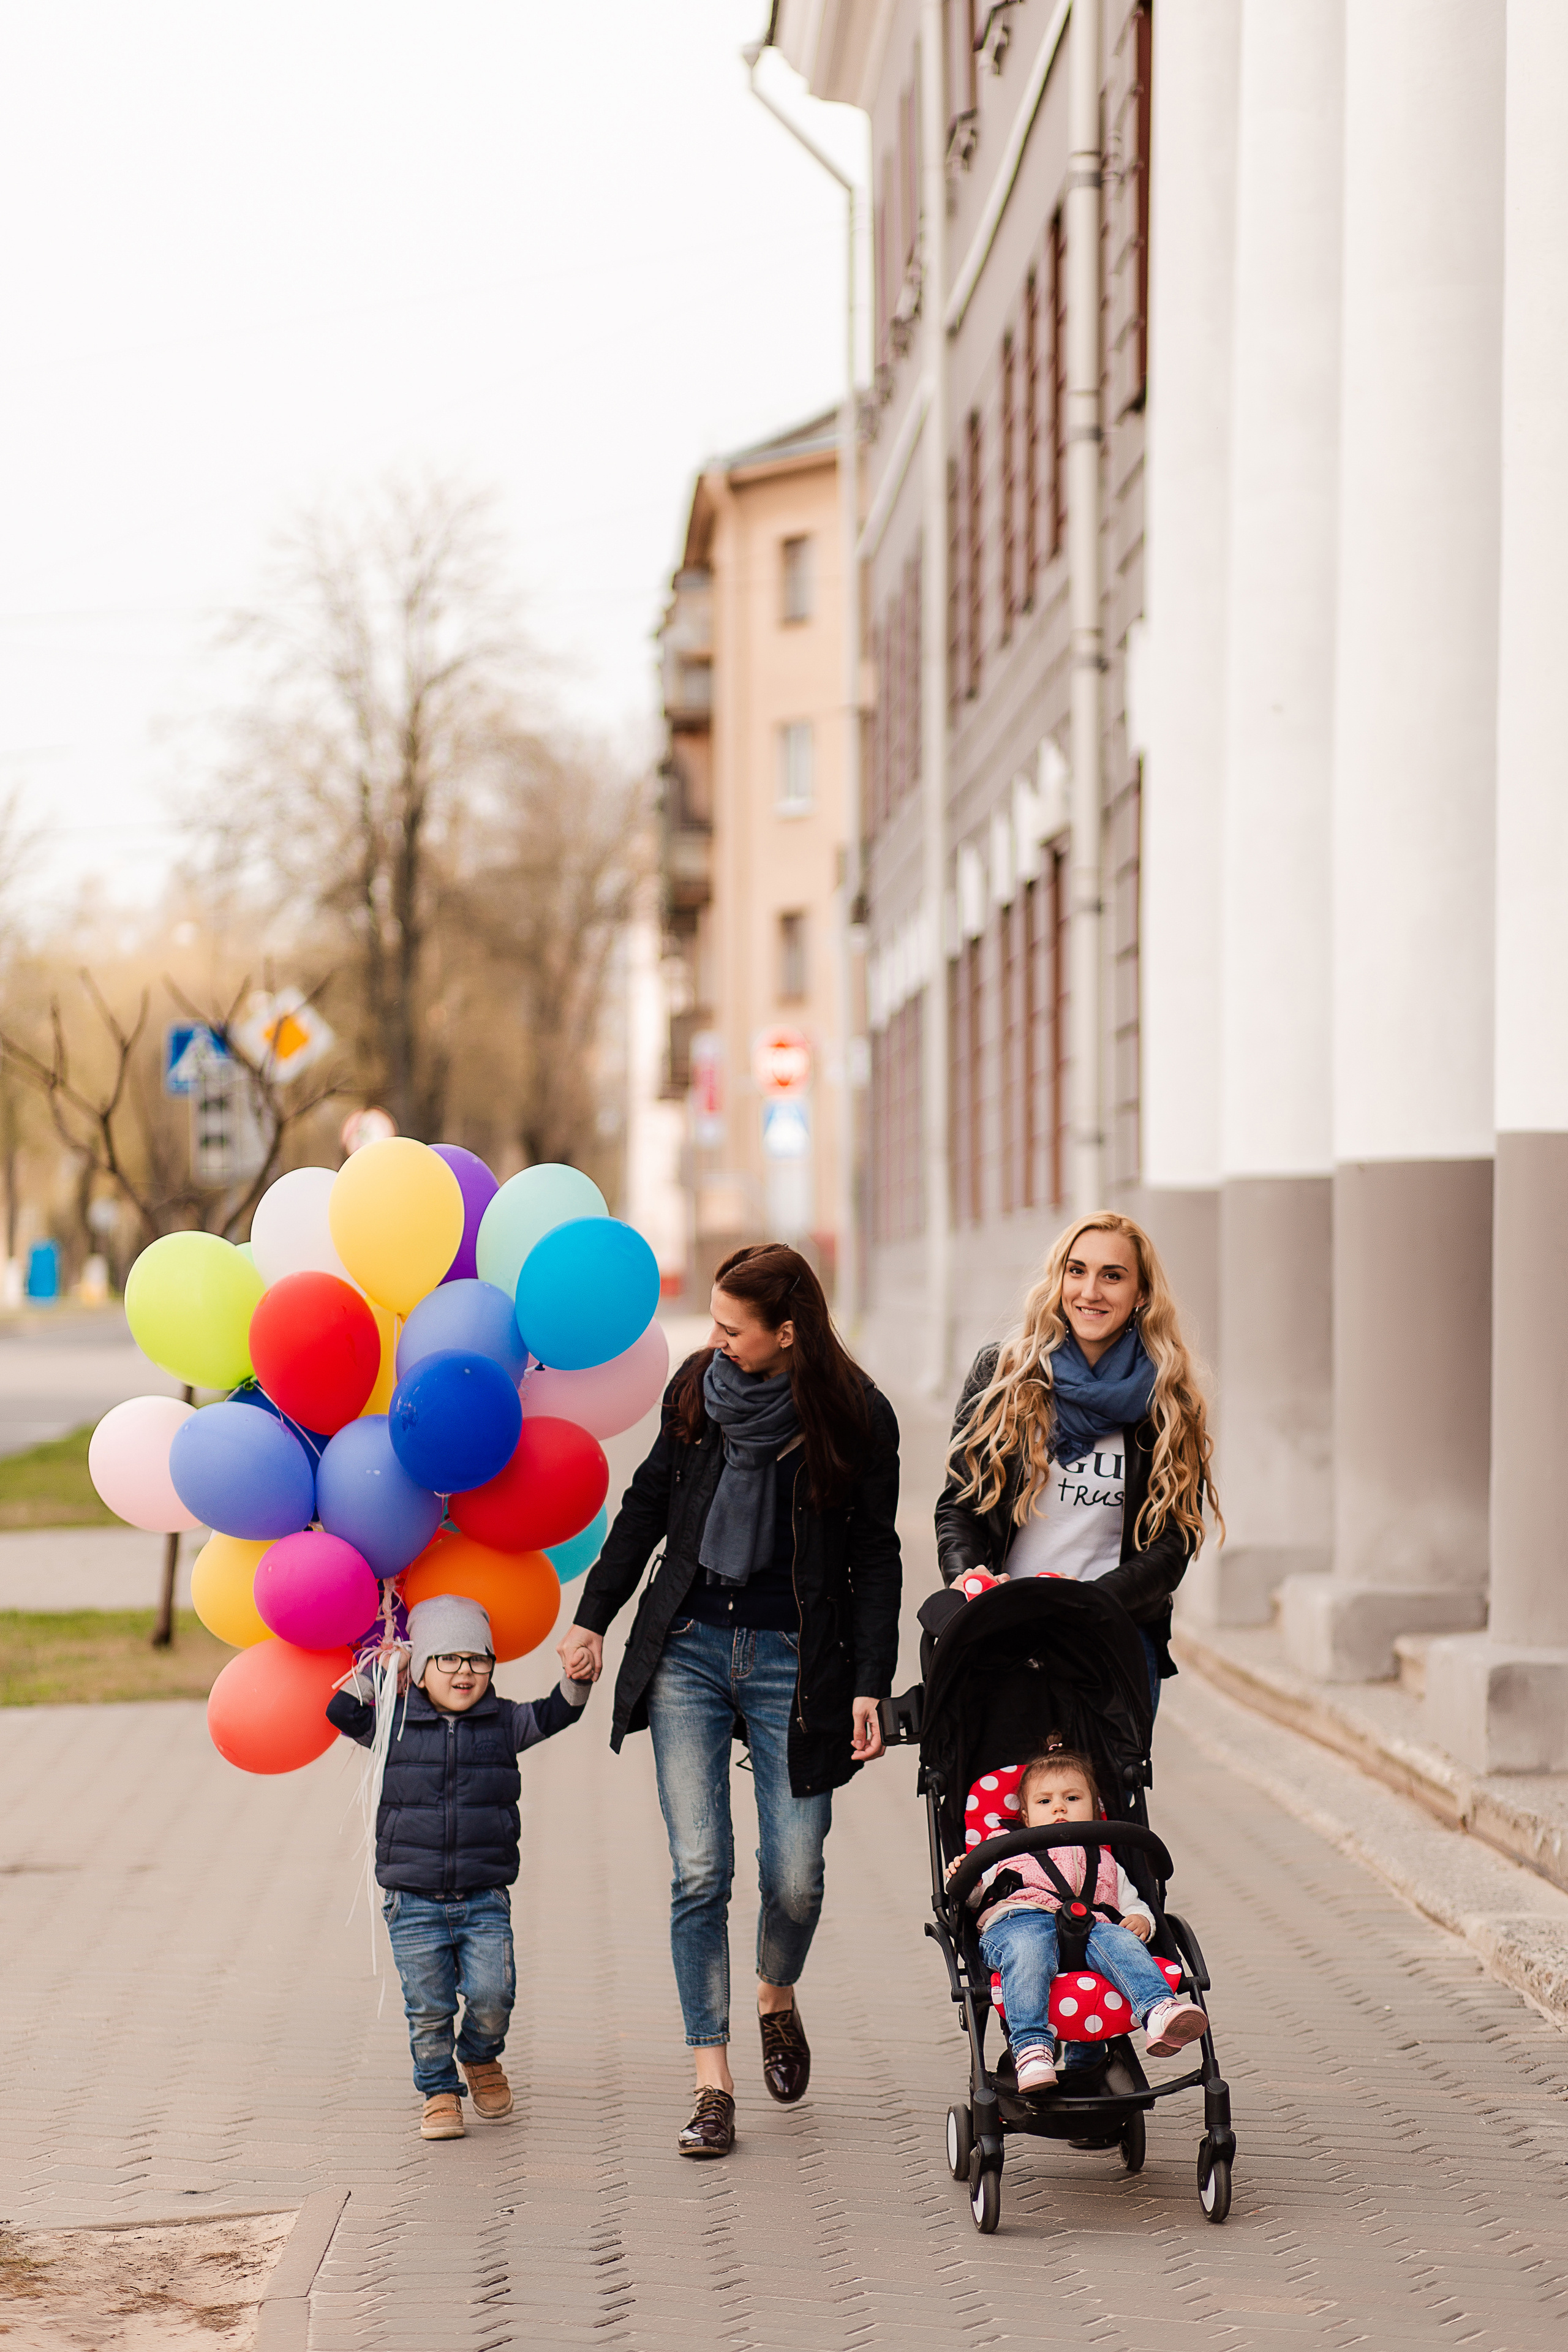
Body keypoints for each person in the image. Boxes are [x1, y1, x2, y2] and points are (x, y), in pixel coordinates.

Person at [557, 1243, 902, 2161]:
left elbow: (877, 1559)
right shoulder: (697, 1392)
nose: (712, 1341)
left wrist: (872, 1678)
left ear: (787, 1334)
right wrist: (594, 1618)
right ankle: (712, 2083)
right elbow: (644, 1507)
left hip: (798, 1658)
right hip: (690, 1652)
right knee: (700, 1871)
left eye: (730, 1328)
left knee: (797, 1875)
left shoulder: (857, 1415)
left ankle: (775, 1995)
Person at [325, 1593, 592, 2142]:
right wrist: (383, 1669)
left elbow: (560, 1712)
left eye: (477, 1659)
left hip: (484, 1897)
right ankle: (439, 2090)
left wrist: (578, 1677)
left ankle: (480, 2054)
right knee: (429, 2007)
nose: (464, 1672)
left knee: (494, 1996)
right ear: (421, 1670)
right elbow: (340, 1712)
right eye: (447, 1659)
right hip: (413, 1899)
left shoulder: (505, 1722)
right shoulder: (393, 1727)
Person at [935, 1212, 1221, 1710]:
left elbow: (1175, 1540)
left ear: (1142, 1294)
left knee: (1096, 1791)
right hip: (1004, 1635)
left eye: (1113, 1275)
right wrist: (968, 1579)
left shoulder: (1170, 1399)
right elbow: (960, 1504)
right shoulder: (1003, 1375)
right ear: (1059, 1280)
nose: (1090, 1291)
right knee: (1002, 1790)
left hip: (1112, 1642)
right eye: (1077, 1270)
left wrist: (1087, 1605)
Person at [949, 1747, 1208, 2088]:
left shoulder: (1105, 1859)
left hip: (1093, 1929)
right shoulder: (1003, 1848)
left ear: (1096, 1809)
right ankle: (1031, 2049)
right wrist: (966, 1879)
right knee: (1029, 1951)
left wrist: (1142, 1920)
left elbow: (1131, 1902)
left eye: (1072, 1797)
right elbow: (977, 1897)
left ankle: (1159, 2010)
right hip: (1021, 1923)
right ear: (1025, 1816)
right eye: (1045, 1802)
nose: (1059, 1807)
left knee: (1121, 1940)